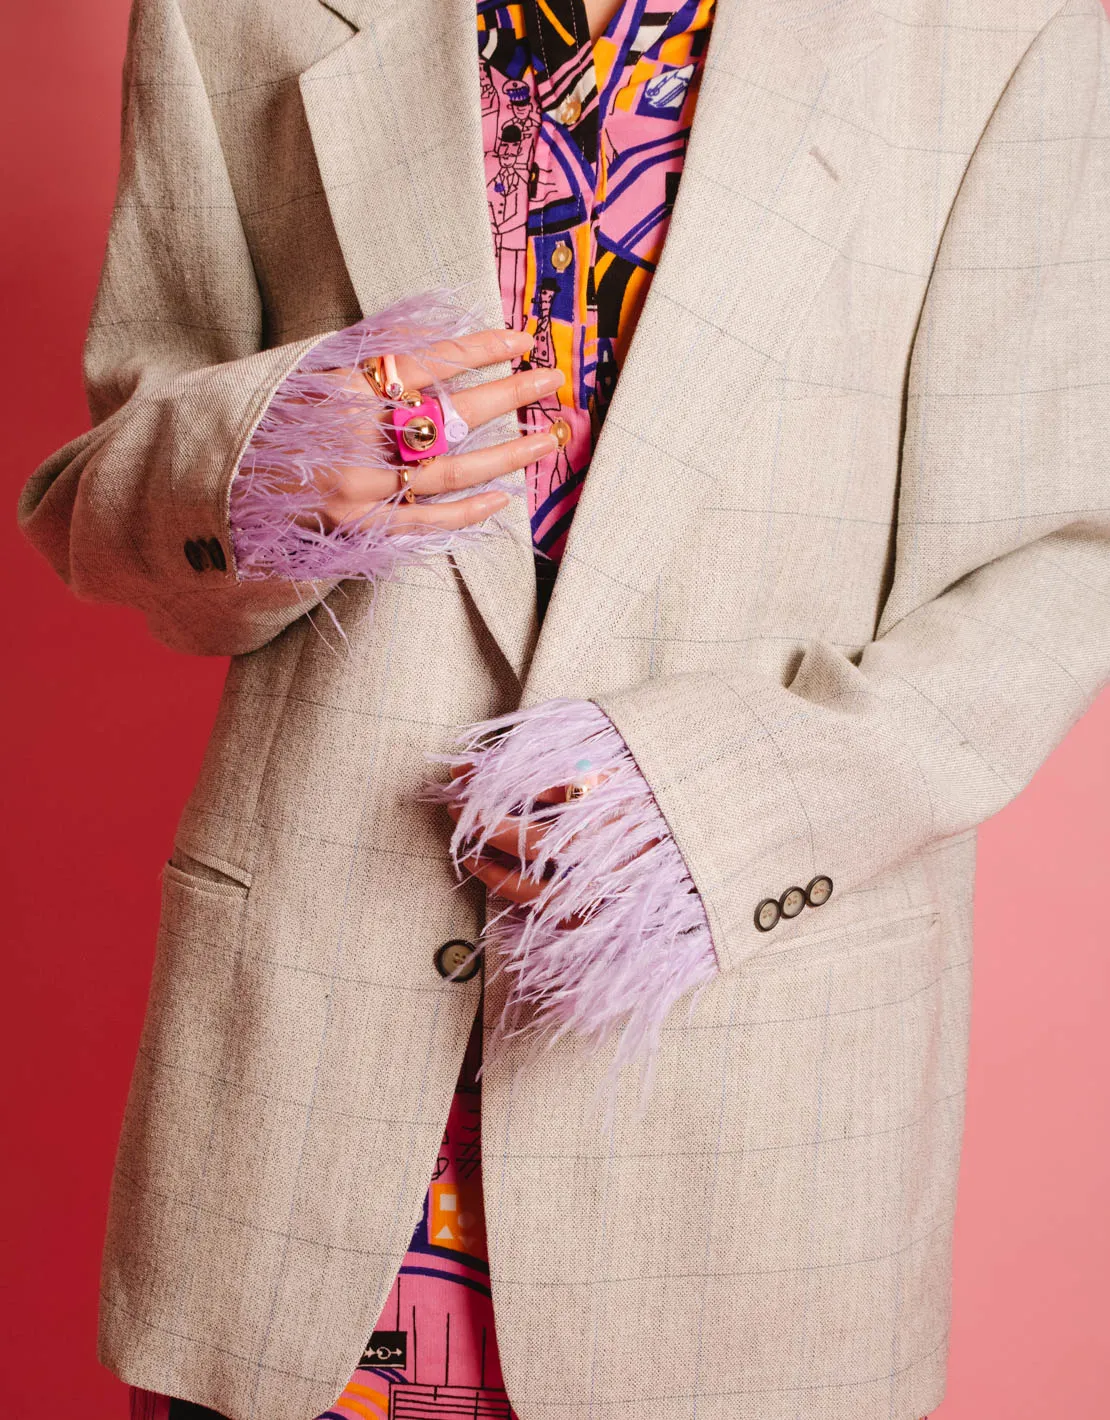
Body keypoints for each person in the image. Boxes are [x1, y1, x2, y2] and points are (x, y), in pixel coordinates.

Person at [16, 0, 1110, 1416]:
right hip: (306, 1101)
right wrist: (273, 456)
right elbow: (104, 507)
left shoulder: (1001, 25)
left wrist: (714, 800)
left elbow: (1054, 562)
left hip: (742, 1108)